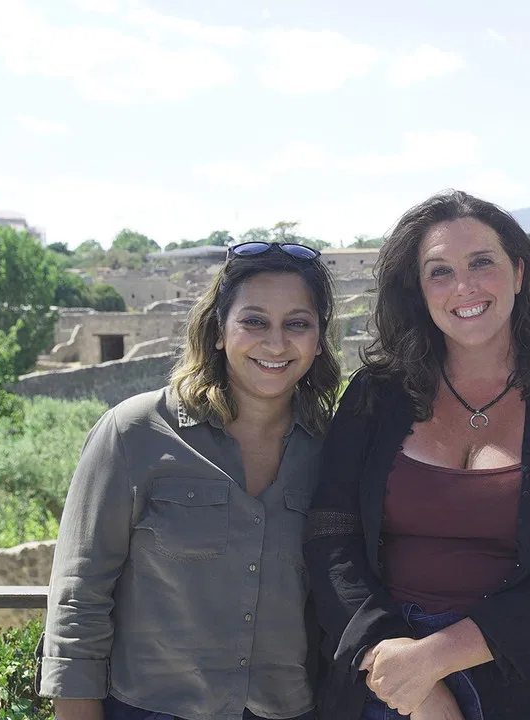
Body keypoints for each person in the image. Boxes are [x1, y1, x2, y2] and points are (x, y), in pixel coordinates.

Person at [303, 190, 530, 720]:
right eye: (440, 272)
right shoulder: (375, 398)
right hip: (381, 674)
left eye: (481, 263)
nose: (464, 287)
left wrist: (439, 657)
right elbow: (330, 534)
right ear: (419, 290)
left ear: (518, 272)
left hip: (518, 680)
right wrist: (404, 668)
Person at [38, 241, 342, 720]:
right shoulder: (134, 432)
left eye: (298, 324)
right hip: (150, 709)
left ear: (320, 339)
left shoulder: (334, 450)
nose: (276, 343)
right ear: (219, 330)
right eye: (254, 321)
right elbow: (80, 592)